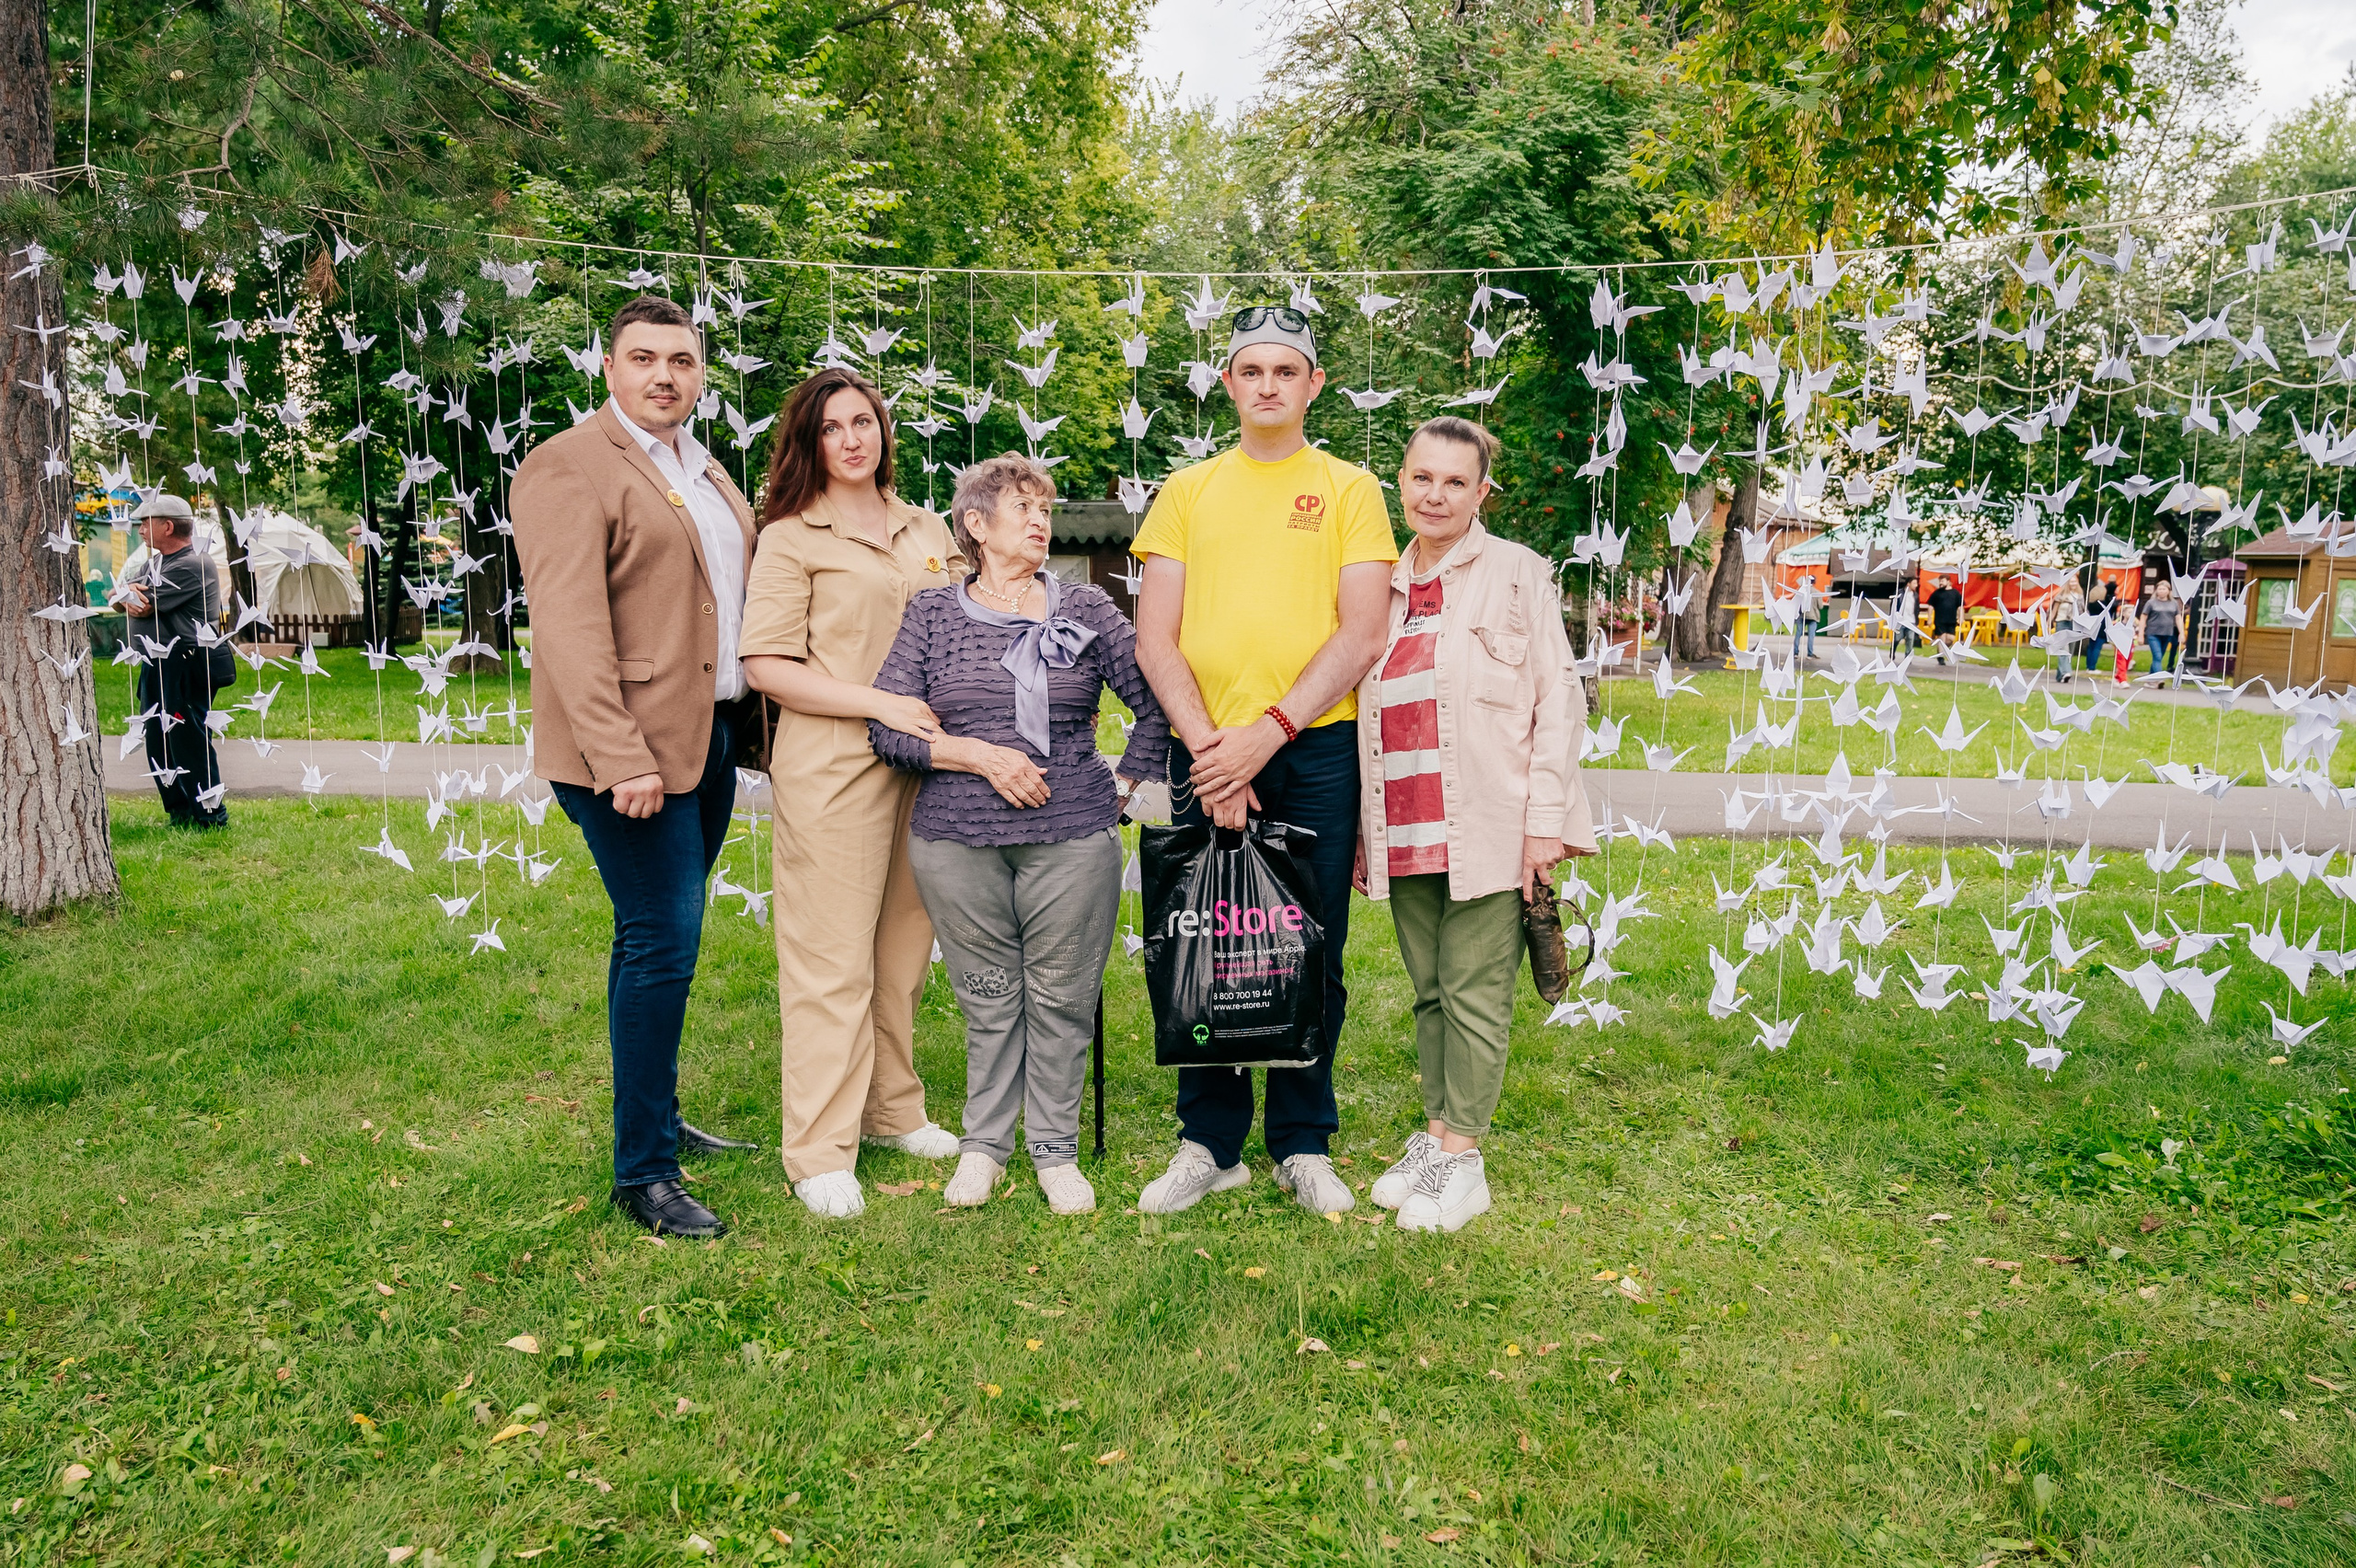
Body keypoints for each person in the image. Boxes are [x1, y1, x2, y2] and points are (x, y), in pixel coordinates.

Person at [1130, 305, 1396, 1218]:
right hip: (1204, 746)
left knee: (1309, 946)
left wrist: (1268, 733)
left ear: (1314, 384)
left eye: (1287, 370)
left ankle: (1301, 1143)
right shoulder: (1187, 491)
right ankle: (1208, 1143)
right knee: (1204, 937)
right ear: (1229, 383)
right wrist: (1216, 753)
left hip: (1311, 746)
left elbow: (1361, 634)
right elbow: (1155, 639)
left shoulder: (1350, 489)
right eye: (1252, 370)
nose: (1269, 385)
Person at [510, 294, 763, 1241]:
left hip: (709, 739)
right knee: (664, 942)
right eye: (645, 358)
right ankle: (644, 1174)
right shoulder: (568, 465)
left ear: (700, 375)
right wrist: (622, 759)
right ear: (609, 368)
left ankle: (653, 1117)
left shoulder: (703, 467)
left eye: (682, 361)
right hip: (630, 757)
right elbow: (570, 629)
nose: (665, 375)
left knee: (649, 940)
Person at [867, 455, 1172, 1216]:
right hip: (955, 838)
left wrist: (1120, 794)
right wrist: (976, 755)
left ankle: (1055, 1152)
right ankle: (984, 1148)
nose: (1041, 521)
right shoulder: (932, 615)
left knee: (1063, 998)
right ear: (975, 524)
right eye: (1023, 507)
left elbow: (1154, 706)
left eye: (1046, 508)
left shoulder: (1087, 607)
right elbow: (888, 728)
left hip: (1072, 836)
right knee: (989, 997)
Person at [1352, 419, 1596, 1233]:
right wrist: (1364, 827)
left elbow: (1558, 700)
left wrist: (1544, 826)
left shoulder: (1518, 574)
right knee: (1430, 992)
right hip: (1404, 820)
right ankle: (1435, 1139)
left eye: (1456, 482)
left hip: (1490, 822)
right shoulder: (1380, 584)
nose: (1436, 495)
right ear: (1401, 481)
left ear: (1482, 492)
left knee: (1474, 993)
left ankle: (1464, 1161)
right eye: (1423, 477)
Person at [740, 366, 964, 1220]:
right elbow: (767, 666)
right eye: (831, 427)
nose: (851, 439)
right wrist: (877, 701)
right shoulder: (791, 537)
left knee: (903, 951)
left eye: (862, 422)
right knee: (830, 960)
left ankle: (891, 1110)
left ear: (883, 430)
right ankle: (819, 1151)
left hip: (928, 763)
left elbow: (968, 626)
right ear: (811, 442)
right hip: (834, 765)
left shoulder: (926, 526)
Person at [118, 493, 226, 828]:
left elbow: (143, 604)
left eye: (145, 524)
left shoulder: (194, 564)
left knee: (187, 739)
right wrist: (125, 595)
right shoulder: (154, 564)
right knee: (157, 740)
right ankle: (180, 813)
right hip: (157, 663)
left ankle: (211, 817)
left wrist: (130, 595)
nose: (139, 531)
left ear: (167, 526)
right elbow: (120, 594)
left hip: (185, 663)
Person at [2142, 580, 2181, 675]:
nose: (2161, 591)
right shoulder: (2151, 603)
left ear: (2168, 591)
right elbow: (2143, 617)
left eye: (2164, 589)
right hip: (2153, 633)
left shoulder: (2174, 603)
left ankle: (2151, 677)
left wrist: (2181, 633)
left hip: (2167, 633)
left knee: (2159, 657)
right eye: (2159, 589)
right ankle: (2159, 678)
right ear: (2156, 590)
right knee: (2157, 656)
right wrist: (2141, 634)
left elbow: (2178, 618)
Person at [1926, 574, 1965, 663]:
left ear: (1948, 581)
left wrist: (1961, 617)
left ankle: (1941, 650)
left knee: (1950, 639)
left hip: (1951, 620)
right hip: (1940, 620)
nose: (1940, 583)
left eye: (1942, 581)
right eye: (1940, 581)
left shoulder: (1955, 593)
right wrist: (1929, 618)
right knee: (1942, 637)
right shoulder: (1937, 593)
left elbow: (1960, 607)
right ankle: (1941, 658)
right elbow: (1930, 606)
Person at [2083, 580, 2117, 671]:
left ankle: (2088, 666)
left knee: (2091, 647)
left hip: (2093, 626)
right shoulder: (2104, 604)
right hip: (2102, 628)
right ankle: (2092, 667)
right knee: (2097, 648)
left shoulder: (2091, 604)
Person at [1792, 571, 1819, 660]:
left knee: (1798, 634)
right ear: (1815, 582)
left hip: (1801, 615)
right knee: (1811, 636)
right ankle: (1809, 654)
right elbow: (1820, 606)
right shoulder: (1817, 592)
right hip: (1813, 616)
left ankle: (1795, 653)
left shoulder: (1802, 591)